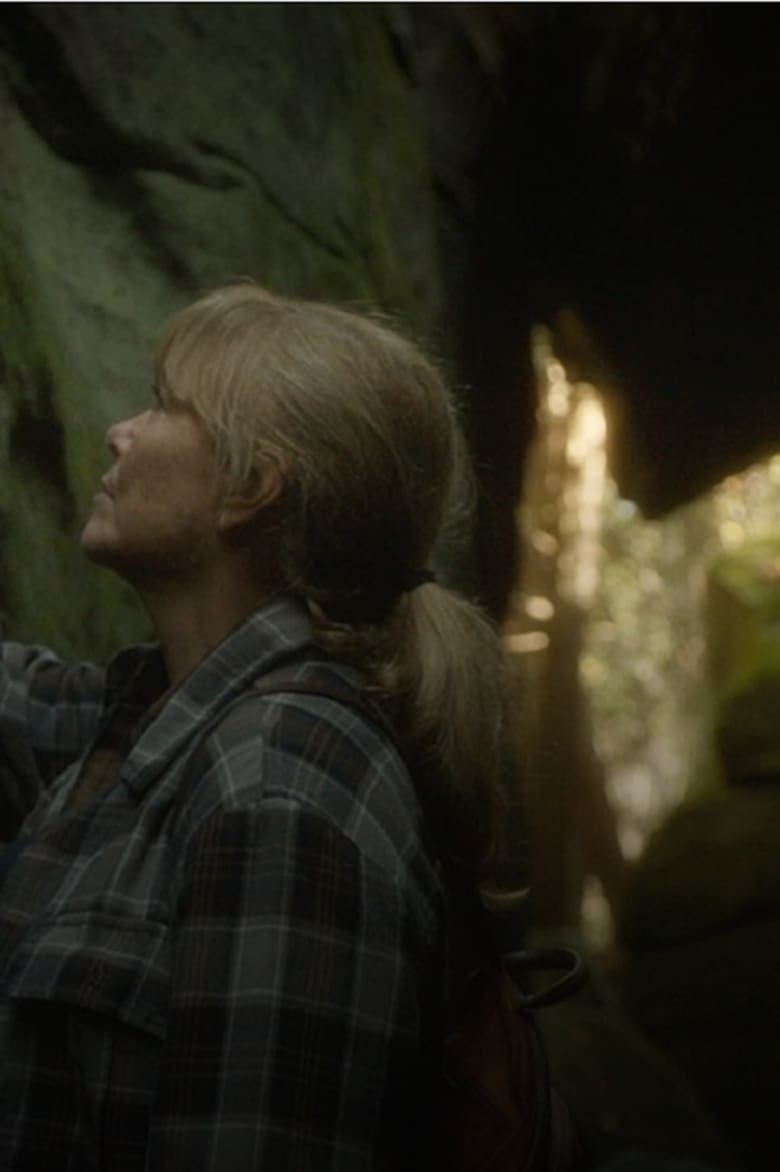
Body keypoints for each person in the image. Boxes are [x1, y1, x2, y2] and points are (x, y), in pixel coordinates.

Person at [0, 282, 514, 1170]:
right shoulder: (163, 720)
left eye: (163, 406)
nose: (120, 432)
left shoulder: (282, 787)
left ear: (251, 487)